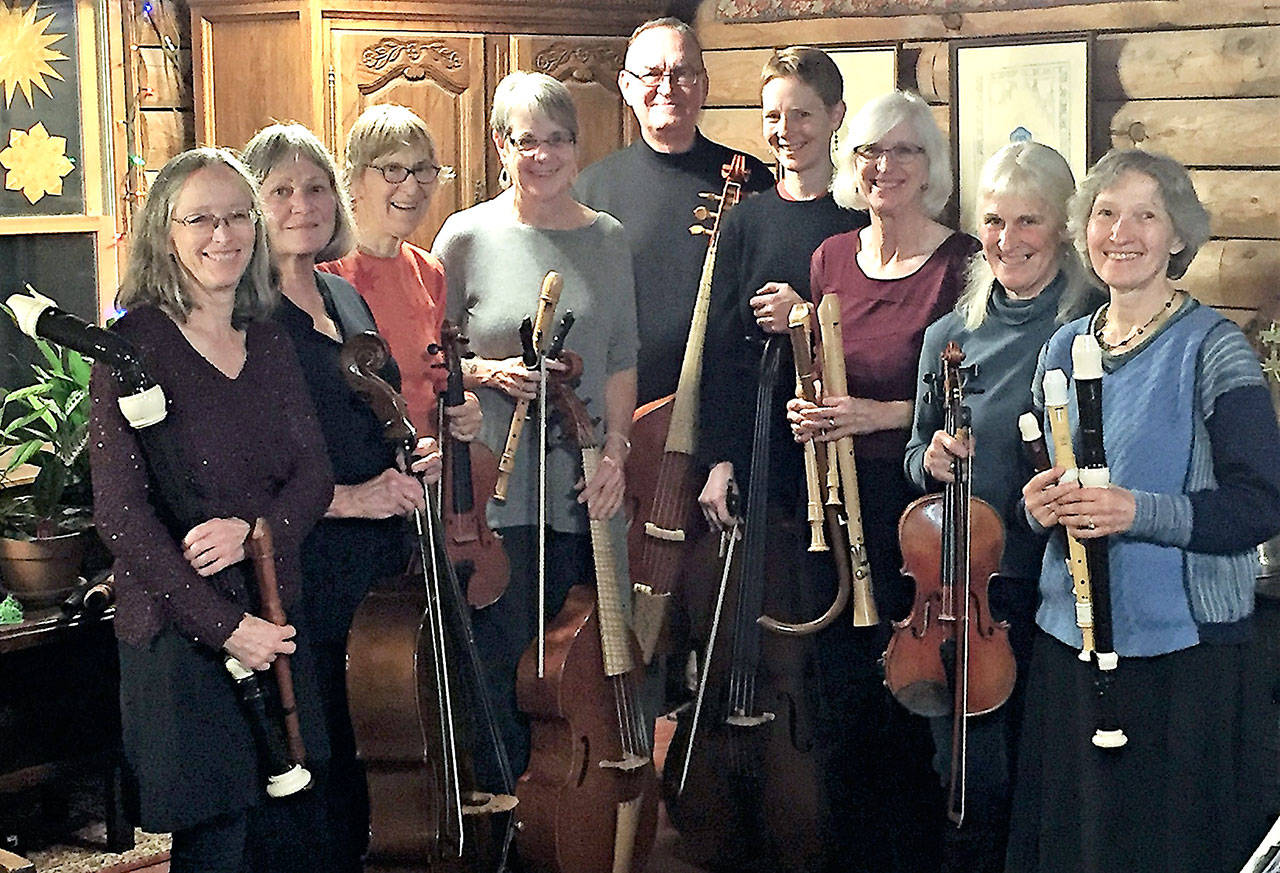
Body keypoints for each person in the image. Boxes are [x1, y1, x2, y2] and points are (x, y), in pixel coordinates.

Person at [1008, 148, 1280, 873]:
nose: (1120, 233)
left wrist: (1137, 512)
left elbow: (1259, 504)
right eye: (1105, 213)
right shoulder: (1062, 347)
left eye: (1145, 215)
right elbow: (1045, 489)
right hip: (1071, 642)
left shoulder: (1215, 350)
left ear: (1178, 235)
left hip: (1181, 659)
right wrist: (1036, 506)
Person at [89, 148, 334, 873]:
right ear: (166, 234)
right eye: (200, 219)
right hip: (181, 634)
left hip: (273, 606)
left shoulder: (271, 337)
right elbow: (121, 516)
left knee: (290, 841)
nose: (222, 234)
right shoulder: (130, 347)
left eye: (237, 216)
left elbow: (314, 475)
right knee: (220, 845)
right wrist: (228, 628)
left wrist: (256, 534)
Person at [242, 122, 449, 873]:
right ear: (252, 207)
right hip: (307, 565)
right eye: (281, 191)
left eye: (316, 187)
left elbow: (371, 415)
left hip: (379, 564)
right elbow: (239, 472)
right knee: (320, 754)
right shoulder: (245, 316)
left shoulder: (343, 295)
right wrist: (352, 498)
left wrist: (411, 458)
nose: (303, 204)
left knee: (373, 746)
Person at [681, 47, 866, 873]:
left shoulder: (856, 217)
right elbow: (723, 349)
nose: (785, 130)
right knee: (750, 624)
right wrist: (718, 462)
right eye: (772, 117)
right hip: (757, 442)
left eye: (801, 114)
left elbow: (871, 336)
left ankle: (830, 809)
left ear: (834, 117)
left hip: (828, 453)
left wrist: (805, 314)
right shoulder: (747, 218)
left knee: (826, 638)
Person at [787, 89, 979, 873]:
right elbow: (820, 372)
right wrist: (809, 408)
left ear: (930, 167)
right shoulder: (831, 257)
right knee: (841, 699)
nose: (884, 165)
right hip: (835, 506)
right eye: (869, 150)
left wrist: (874, 415)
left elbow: (968, 396)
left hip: (916, 509)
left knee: (908, 699)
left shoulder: (962, 262)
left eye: (904, 150)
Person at [432, 71, 639, 786]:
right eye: (527, 141)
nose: (543, 155)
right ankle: (503, 811)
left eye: (558, 140)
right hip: (494, 494)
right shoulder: (465, 236)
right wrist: (490, 373)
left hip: (584, 489)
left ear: (577, 148)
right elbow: (436, 356)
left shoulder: (608, 239)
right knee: (503, 669)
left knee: (581, 672)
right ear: (501, 146)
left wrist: (616, 452)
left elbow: (621, 360)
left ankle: (574, 811)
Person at [901, 140, 1101, 872]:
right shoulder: (948, 337)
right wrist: (928, 459)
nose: (1007, 240)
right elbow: (914, 451)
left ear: (1062, 229)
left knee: (1042, 776)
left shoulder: (1090, 330)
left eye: (1028, 220)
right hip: (957, 590)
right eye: (993, 221)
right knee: (966, 776)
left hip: (1053, 586)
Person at [575, 16, 772, 406]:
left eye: (683, 73)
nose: (667, 88)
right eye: (651, 74)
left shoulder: (753, 180)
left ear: (703, 85)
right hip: (624, 409)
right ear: (626, 86)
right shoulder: (590, 189)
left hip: (730, 403)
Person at [318, 104, 480, 439]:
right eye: (392, 169)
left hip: (427, 463)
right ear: (354, 179)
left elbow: (434, 377)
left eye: (422, 170)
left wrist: (464, 408)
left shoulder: (429, 272)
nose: (411, 187)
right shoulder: (324, 273)